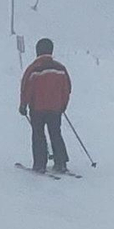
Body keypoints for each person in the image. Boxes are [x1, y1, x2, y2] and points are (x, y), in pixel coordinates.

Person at [19, 37, 71, 173]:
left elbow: (26, 88)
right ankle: (61, 162)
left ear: (38, 51)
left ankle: (40, 164)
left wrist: (23, 105)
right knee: (56, 133)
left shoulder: (34, 69)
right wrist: (63, 105)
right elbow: (67, 89)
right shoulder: (60, 69)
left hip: (37, 108)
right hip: (55, 109)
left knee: (38, 135)